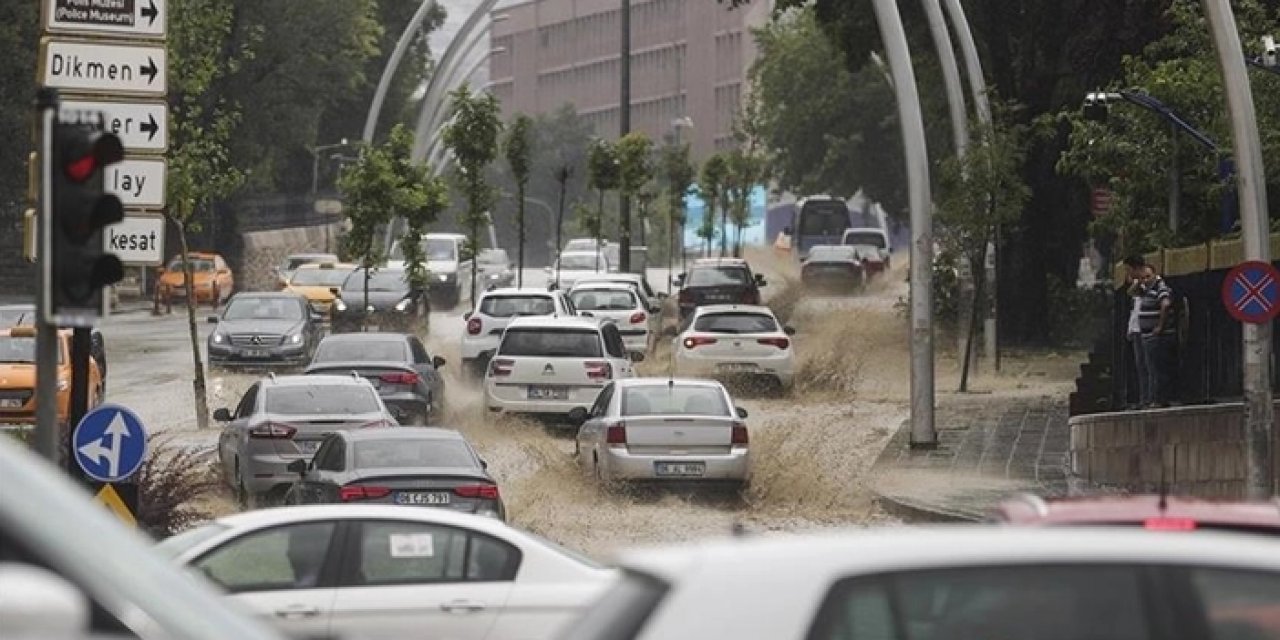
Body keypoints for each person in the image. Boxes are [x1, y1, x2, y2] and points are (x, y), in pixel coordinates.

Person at [1137, 263, 1177, 407]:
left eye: (1148, 276)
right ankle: (1154, 398)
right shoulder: (1146, 290)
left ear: (1155, 275)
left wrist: (1160, 326)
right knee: (1151, 368)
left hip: (1157, 336)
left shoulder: (1161, 287)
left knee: (1157, 369)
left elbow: (1165, 304)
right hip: (1147, 336)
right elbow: (1131, 291)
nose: (1146, 280)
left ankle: (1158, 400)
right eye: (1143, 278)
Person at [1122, 256, 1150, 408]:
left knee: (1147, 365)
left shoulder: (1147, 282)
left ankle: (1148, 397)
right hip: (1136, 328)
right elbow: (1131, 296)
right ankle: (1143, 397)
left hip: (1145, 327)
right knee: (1140, 365)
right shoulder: (1135, 284)